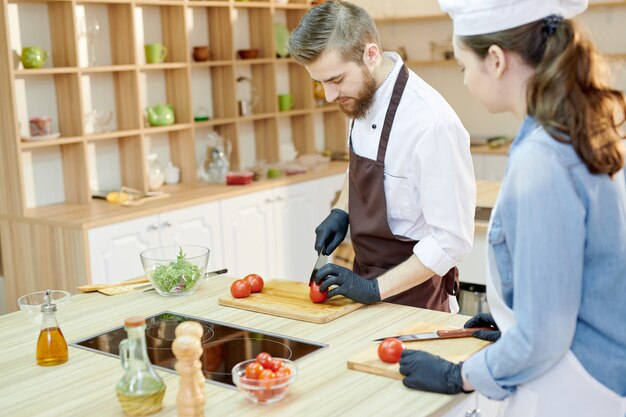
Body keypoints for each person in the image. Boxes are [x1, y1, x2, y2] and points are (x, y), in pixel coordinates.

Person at [398, 1, 626, 415]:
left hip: (577, 387)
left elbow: (543, 337)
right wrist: (509, 323)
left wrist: (462, 374)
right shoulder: (576, 131)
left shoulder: (542, 158)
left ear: (497, 60)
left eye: (463, 66)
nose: (464, 81)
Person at [287, 0, 476, 312]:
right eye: (320, 83)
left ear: (370, 55)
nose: (329, 95)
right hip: (364, 296)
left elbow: (451, 242)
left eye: (335, 80)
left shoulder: (432, 125)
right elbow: (365, 164)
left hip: (418, 305)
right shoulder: (359, 97)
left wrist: (374, 288)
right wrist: (341, 211)